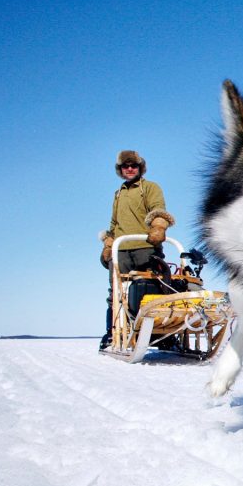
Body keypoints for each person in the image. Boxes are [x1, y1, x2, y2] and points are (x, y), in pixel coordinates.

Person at [99, 150, 175, 349]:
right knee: (116, 293)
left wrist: (158, 226)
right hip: (121, 250)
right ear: (120, 170)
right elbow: (114, 223)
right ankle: (112, 334)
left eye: (133, 165)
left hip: (146, 247)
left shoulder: (149, 187)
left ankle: (163, 335)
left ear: (140, 167)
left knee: (155, 290)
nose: (130, 169)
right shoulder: (118, 194)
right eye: (126, 166)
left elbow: (159, 209)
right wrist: (108, 244)